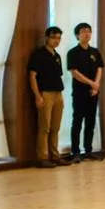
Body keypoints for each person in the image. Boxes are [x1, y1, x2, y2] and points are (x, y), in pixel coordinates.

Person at [28, 26, 70, 168]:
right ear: (47, 38)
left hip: (58, 93)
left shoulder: (57, 56)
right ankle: (43, 157)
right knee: (44, 127)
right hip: (45, 93)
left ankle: (55, 155)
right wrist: (37, 96)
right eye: (53, 37)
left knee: (55, 127)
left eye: (58, 38)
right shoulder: (38, 54)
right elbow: (32, 76)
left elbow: (58, 75)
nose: (56, 40)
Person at [65, 22, 103, 162]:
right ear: (77, 35)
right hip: (80, 92)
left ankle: (88, 150)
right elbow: (74, 72)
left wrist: (96, 84)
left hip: (94, 92)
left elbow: (100, 68)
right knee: (77, 122)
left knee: (91, 121)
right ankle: (76, 152)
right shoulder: (73, 52)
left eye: (89, 31)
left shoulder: (95, 52)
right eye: (83, 31)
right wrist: (91, 83)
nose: (86, 33)